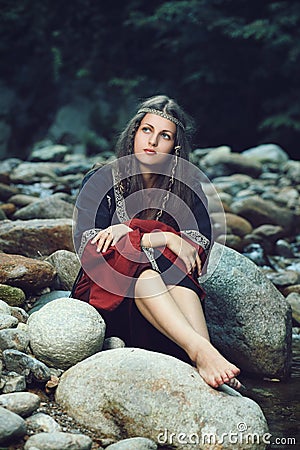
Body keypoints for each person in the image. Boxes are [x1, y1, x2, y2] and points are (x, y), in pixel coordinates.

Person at [71, 94, 241, 390]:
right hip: (109, 300)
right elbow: (92, 246)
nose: (152, 141)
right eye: (146, 130)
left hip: (165, 311)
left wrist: (147, 235)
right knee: (138, 264)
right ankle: (202, 352)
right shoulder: (102, 179)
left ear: (174, 146)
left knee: (172, 264)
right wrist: (160, 237)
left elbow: (194, 252)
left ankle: (204, 352)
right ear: (134, 133)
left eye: (164, 136)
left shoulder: (188, 188)